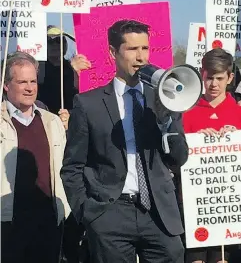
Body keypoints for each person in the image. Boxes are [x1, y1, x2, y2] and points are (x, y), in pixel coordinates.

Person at [61, 19, 189, 263]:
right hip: (110, 212)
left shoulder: (164, 97)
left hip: (159, 212)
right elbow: (72, 167)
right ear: (113, 53)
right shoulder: (88, 104)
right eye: (132, 49)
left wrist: (166, 123)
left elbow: (179, 157)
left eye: (145, 48)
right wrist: (88, 213)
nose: (141, 57)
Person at [1, 52, 70, 263]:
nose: (30, 88)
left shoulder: (52, 122)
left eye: (33, 81)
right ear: (6, 85)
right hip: (7, 222)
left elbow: (66, 167)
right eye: (22, 82)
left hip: (48, 220)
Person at [183, 48, 241, 263]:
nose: (213, 84)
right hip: (195, 208)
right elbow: (174, 158)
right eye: (209, 78)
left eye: (220, 78)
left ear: (230, 77)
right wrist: (192, 142)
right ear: (201, 74)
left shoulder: (239, 113)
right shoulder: (186, 111)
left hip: (229, 208)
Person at [38, 25, 91, 115]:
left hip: (72, 117)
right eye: (50, 41)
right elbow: (49, 91)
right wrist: (71, 70)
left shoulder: (74, 65)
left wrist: (76, 73)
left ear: (65, 44)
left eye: (59, 40)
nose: (55, 45)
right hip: (47, 117)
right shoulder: (38, 68)